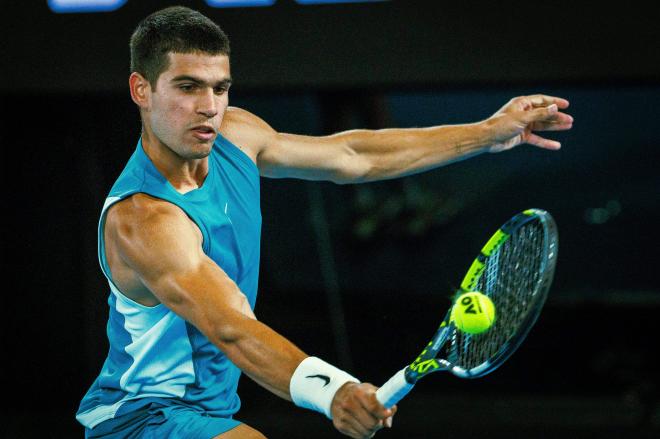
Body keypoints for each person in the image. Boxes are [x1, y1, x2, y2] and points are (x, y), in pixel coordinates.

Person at [76, 5, 573, 439]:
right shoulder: (145, 218)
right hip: (143, 419)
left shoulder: (235, 134)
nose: (208, 106)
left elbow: (352, 155)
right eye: (187, 87)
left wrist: (486, 133)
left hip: (211, 412)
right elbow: (231, 328)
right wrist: (335, 393)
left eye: (219, 87)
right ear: (141, 89)